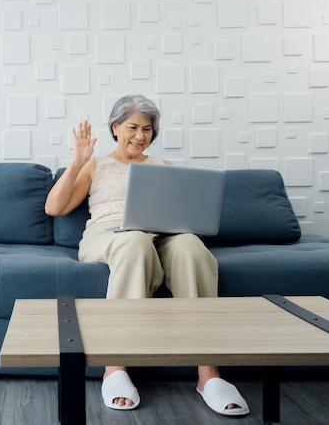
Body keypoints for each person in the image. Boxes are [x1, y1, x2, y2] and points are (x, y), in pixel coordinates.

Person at [44, 94, 249, 416]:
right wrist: (77, 161)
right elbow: (55, 208)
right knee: (134, 241)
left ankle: (208, 373)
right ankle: (115, 367)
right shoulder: (97, 164)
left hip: (160, 234)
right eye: (133, 127)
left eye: (148, 129)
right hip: (110, 234)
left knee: (190, 246)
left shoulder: (163, 167)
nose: (141, 136)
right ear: (116, 127)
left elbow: (181, 213)